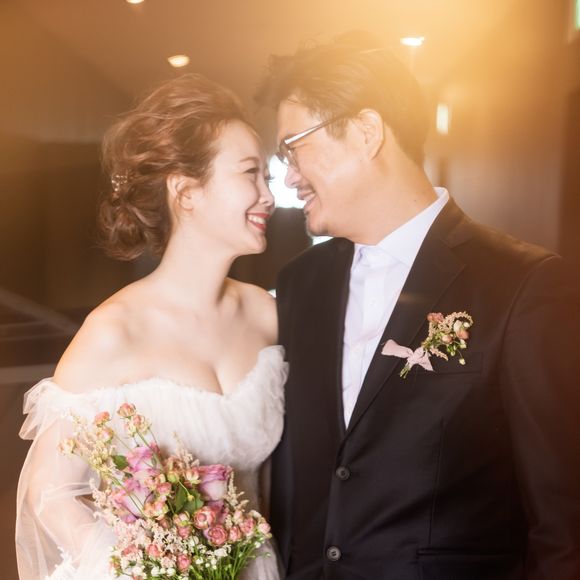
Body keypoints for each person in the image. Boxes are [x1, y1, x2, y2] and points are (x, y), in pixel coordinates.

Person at [256, 35, 580, 580]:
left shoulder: (522, 284)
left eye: (295, 147)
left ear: (366, 132)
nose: (288, 175)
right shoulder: (299, 283)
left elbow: (563, 524)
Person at [16, 73, 286, 580]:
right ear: (186, 191)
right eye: (251, 173)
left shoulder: (268, 317)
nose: (268, 196)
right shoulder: (115, 332)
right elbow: (48, 491)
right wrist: (149, 568)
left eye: (267, 177)